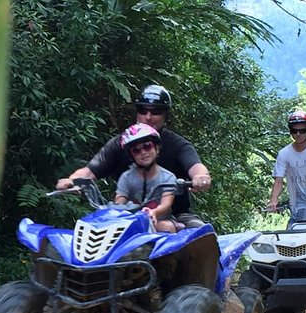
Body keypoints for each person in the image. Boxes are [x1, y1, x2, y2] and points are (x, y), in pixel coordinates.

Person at [56, 85, 211, 228]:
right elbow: (89, 171)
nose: (148, 116)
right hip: (127, 218)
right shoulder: (120, 144)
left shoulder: (177, 145)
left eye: (156, 111)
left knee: (202, 235)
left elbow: (196, 167)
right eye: (143, 110)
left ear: (158, 148)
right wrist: (71, 181)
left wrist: (201, 177)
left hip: (175, 216)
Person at [114, 123, 180, 233]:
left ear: (156, 148)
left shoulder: (168, 177)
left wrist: (154, 212)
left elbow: (166, 204)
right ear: (131, 156)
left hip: (159, 220)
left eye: (147, 146)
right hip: (131, 223)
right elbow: (119, 201)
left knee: (166, 227)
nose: (143, 152)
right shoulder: (126, 177)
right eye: (136, 150)